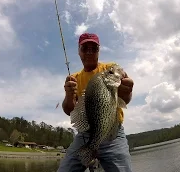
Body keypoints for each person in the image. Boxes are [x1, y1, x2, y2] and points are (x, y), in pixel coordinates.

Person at [57, 33, 134, 172]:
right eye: (85, 48)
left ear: (99, 50)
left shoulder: (109, 69)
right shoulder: (73, 78)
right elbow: (69, 110)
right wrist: (69, 96)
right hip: (85, 134)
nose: (89, 52)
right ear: (79, 51)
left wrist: (127, 91)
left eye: (94, 48)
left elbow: (125, 100)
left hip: (113, 132)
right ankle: (90, 151)